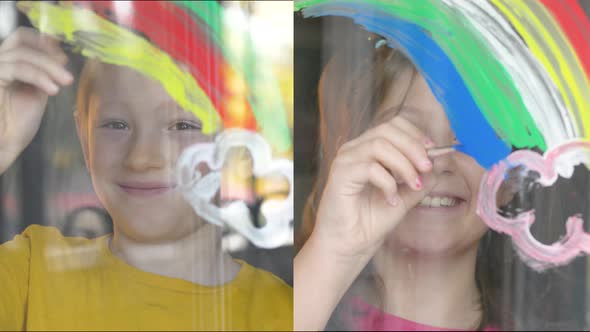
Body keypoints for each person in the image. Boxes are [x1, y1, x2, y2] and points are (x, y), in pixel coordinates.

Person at [0, 27, 292, 330]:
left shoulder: (285, 311)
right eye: (116, 124)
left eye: (182, 126)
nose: (141, 158)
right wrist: (4, 144)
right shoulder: (31, 273)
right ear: (84, 140)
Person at [294, 33, 515, 331]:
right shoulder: (303, 304)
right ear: (351, 157)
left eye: (474, 140)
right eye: (406, 132)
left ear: (512, 180)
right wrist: (335, 249)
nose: (440, 164)